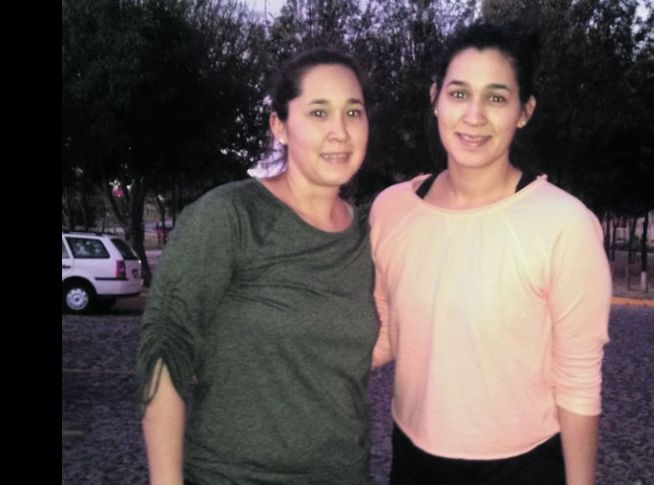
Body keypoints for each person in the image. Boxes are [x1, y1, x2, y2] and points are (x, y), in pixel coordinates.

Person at [369, 22, 612, 485]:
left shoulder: (564, 224)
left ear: (524, 111)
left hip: (522, 467)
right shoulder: (391, 209)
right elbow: (386, 331)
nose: (474, 115)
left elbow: (579, 382)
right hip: (412, 459)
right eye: (459, 93)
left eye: (496, 98)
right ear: (435, 98)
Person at [137, 48, 379, 485]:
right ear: (279, 126)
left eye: (353, 112)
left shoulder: (368, 234)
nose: (340, 131)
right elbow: (165, 346)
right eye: (319, 112)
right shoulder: (230, 216)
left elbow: (374, 345)